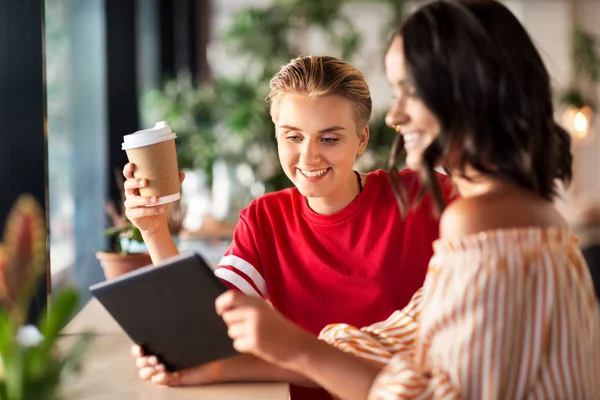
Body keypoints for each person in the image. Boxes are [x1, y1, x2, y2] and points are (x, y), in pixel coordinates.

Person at [212, 1, 600, 399]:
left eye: (408, 92)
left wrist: (298, 349)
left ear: (464, 95)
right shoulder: (518, 212)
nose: (394, 115)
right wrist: (222, 366)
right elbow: (398, 339)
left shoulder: (478, 221)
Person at [124, 56, 454, 399]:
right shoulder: (265, 219)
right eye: (293, 136)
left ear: (361, 139)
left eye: (329, 139)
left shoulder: (423, 196)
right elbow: (205, 330)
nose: (308, 157)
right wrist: (153, 228)